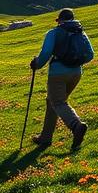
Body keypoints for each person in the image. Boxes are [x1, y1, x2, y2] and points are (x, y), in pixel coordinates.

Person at [29, 8, 94, 151]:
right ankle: (45, 137)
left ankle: (76, 126)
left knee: (58, 102)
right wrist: (75, 62)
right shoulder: (80, 32)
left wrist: (36, 64)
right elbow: (90, 55)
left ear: (60, 20)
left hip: (57, 74)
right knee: (52, 101)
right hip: (76, 73)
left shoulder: (54, 33)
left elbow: (46, 53)